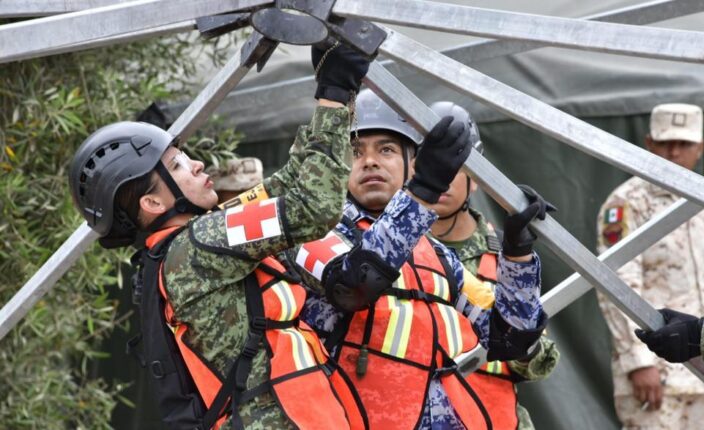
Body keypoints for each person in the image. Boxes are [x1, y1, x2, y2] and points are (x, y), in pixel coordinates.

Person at [68, 44, 371, 429]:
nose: (196, 164)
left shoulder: (185, 246)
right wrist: (334, 97)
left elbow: (286, 187)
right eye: (177, 165)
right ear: (153, 202)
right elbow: (313, 205)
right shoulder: (199, 244)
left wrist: (329, 97)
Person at [292, 90, 550, 429]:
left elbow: (510, 340)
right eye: (355, 152)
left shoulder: (436, 255)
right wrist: (423, 190)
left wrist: (517, 254)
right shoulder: (315, 232)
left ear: (410, 162)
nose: (369, 160)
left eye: (385, 149)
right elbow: (354, 285)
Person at [596, 103, 704, 429]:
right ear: (649, 143)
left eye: (684, 144)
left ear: (700, 148)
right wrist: (638, 363)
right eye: (665, 143)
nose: (674, 152)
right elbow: (616, 286)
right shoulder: (627, 202)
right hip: (658, 375)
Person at [427, 101, 560, 429]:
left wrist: (519, 255)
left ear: (475, 176)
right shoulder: (388, 250)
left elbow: (541, 360)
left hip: (493, 418)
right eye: (429, 165)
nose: (443, 179)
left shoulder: (509, 256)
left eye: (454, 166)